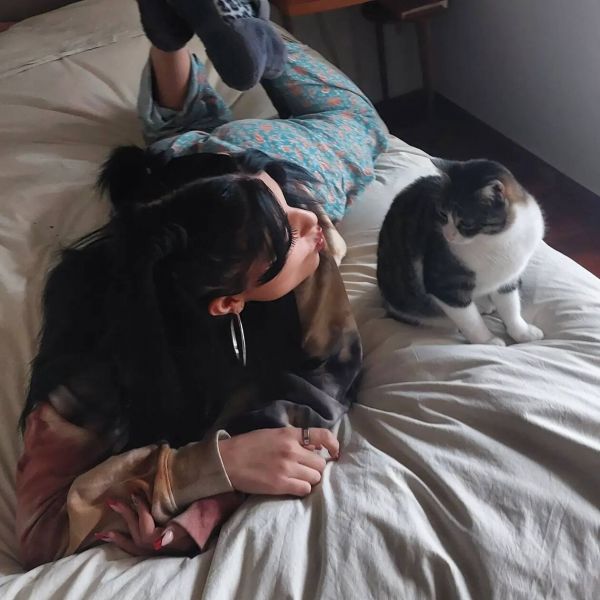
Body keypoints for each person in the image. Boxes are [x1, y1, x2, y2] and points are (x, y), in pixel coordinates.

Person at [15, 0, 388, 569]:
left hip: (243, 170)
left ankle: (256, 41)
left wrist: (221, 478)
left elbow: (328, 374)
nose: (313, 225)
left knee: (359, 121)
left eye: (295, 216)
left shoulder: (294, 218)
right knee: (191, 135)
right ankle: (174, 45)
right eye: (292, 232)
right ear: (227, 303)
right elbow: (41, 530)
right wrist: (212, 466)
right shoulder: (95, 359)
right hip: (189, 175)